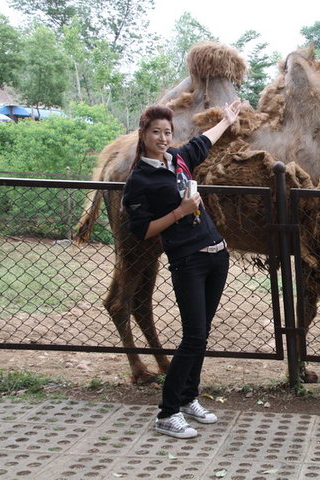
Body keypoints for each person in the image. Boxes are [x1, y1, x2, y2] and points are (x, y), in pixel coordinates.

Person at [122, 100, 242, 439]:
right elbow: (142, 230)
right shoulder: (140, 179)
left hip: (216, 254)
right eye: (156, 132)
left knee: (201, 337)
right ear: (143, 134)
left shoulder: (178, 158)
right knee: (192, 338)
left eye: (167, 132)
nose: (162, 138)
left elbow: (204, 142)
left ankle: (189, 398)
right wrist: (180, 211)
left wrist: (227, 119)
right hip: (187, 261)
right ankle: (167, 412)